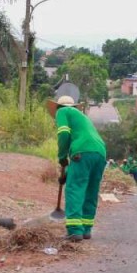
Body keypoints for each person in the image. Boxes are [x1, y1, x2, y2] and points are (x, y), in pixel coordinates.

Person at [52, 95, 107, 242]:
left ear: (58, 106)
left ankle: (75, 231)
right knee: (91, 190)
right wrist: (67, 172)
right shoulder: (82, 117)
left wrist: (62, 157)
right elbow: (84, 156)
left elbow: (64, 133)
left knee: (74, 189)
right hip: (100, 153)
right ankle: (86, 229)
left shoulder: (62, 111)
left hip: (82, 152)